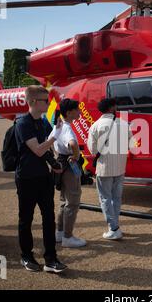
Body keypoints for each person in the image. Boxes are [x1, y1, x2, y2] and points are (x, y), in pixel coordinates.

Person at [14, 85, 66, 273]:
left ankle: (51, 259)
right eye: (45, 100)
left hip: (44, 177)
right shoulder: (22, 123)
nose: (48, 103)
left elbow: (46, 151)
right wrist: (54, 137)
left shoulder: (43, 122)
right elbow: (37, 150)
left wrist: (53, 163)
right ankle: (26, 256)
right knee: (26, 219)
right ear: (34, 102)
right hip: (26, 177)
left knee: (49, 218)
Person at [88, 99, 132, 240]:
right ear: (112, 107)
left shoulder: (95, 126)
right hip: (120, 166)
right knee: (116, 198)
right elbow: (131, 144)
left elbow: (93, 150)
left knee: (105, 198)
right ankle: (115, 225)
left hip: (104, 168)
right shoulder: (124, 125)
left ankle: (113, 228)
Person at [54, 99, 86, 248]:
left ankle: (59, 233)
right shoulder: (66, 127)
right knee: (72, 201)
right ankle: (68, 236)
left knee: (63, 201)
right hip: (69, 166)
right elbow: (73, 144)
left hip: (60, 163)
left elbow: (49, 142)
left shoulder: (58, 125)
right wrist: (76, 156)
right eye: (77, 109)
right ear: (69, 112)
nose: (79, 112)